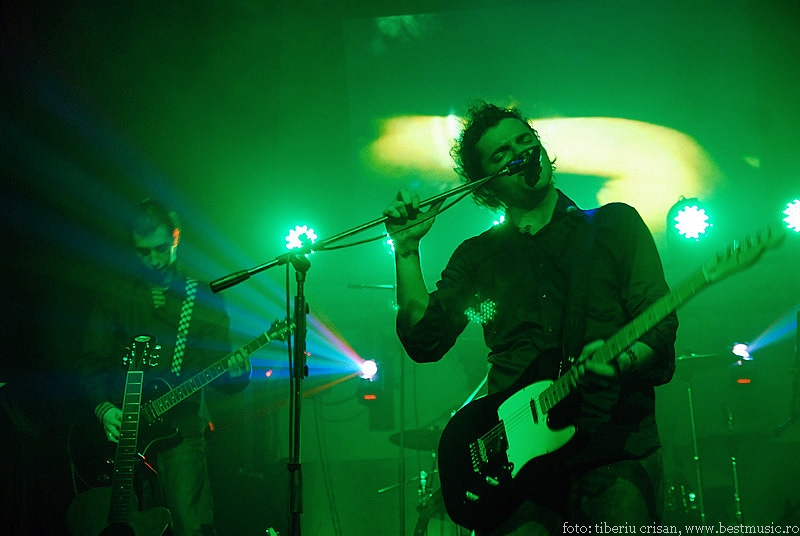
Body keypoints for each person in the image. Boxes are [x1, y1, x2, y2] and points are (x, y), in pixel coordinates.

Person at [383, 102, 678, 535]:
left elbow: (659, 323)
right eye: (501, 154)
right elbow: (426, 339)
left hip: (611, 450)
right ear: (485, 184)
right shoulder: (478, 256)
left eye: (525, 140)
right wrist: (407, 252)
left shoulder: (615, 226)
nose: (520, 152)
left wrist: (622, 362)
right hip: (517, 467)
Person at [76, 198, 251, 536]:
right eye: (143, 252)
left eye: (160, 248)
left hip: (180, 431)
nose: (153, 260)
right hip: (122, 432)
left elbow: (217, 372)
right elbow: (90, 360)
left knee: (188, 523)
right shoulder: (115, 292)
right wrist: (103, 408)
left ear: (175, 238)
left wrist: (238, 372)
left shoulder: (203, 296)